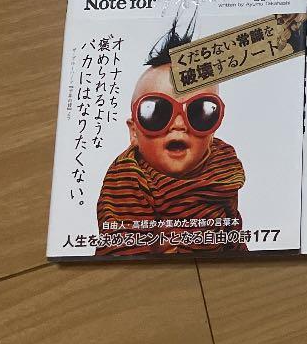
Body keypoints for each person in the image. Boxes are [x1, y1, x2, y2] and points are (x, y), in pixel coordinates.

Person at [96, 35, 246, 256]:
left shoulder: (223, 161)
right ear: (134, 132)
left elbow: (233, 230)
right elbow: (120, 246)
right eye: (157, 112)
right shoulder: (130, 176)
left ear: (213, 129)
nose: (179, 125)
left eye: (199, 112)